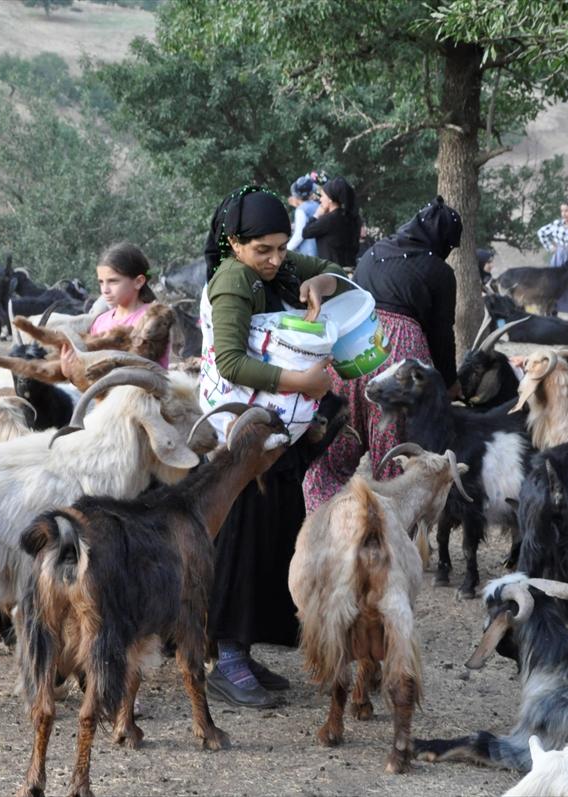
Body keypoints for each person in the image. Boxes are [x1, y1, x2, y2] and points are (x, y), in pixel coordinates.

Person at [201, 185, 348, 708]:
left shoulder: (278, 270)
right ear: (234, 242)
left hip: (275, 432)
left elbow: (336, 272)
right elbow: (231, 363)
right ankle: (227, 657)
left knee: (270, 536)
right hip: (241, 434)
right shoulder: (234, 280)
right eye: (263, 249)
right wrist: (303, 385)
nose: (275, 259)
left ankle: (244, 649)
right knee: (241, 542)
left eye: (282, 247)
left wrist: (320, 284)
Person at [303, 196, 462, 513]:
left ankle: (327, 528)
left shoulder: (372, 254)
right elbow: (441, 334)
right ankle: (387, 542)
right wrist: (448, 382)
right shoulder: (439, 272)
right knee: (394, 462)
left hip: (353, 349)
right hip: (398, 365)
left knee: (333, 453)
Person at [59, 242, 169, 374]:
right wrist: (69, 371)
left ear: (138, 282)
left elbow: (141, 368)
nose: (105, 290)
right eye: (101, 282)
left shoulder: (153, 318)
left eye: (113, 281)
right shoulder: (100, 322)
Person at [536, 199, 568, 320]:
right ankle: (554, 314)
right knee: (555, 284)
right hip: (558, 257)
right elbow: (541, 232)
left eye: (567, 211)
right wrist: (550, 247)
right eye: (562, 211)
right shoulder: (557, 224)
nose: (564, 213)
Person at [302, 175, 361, 270]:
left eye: (322, 196)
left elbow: (305, 233)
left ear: (330, 199)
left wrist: (316, 215)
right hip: (351, 269)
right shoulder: (352, 217)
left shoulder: (329, 219)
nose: (320, 199)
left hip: (333, 271)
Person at [286, 173, 320, 256]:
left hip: (308, 253)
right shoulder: (317, 205)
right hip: (320, 251)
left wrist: (286, 250)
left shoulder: (301, 210)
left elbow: (300, 234)